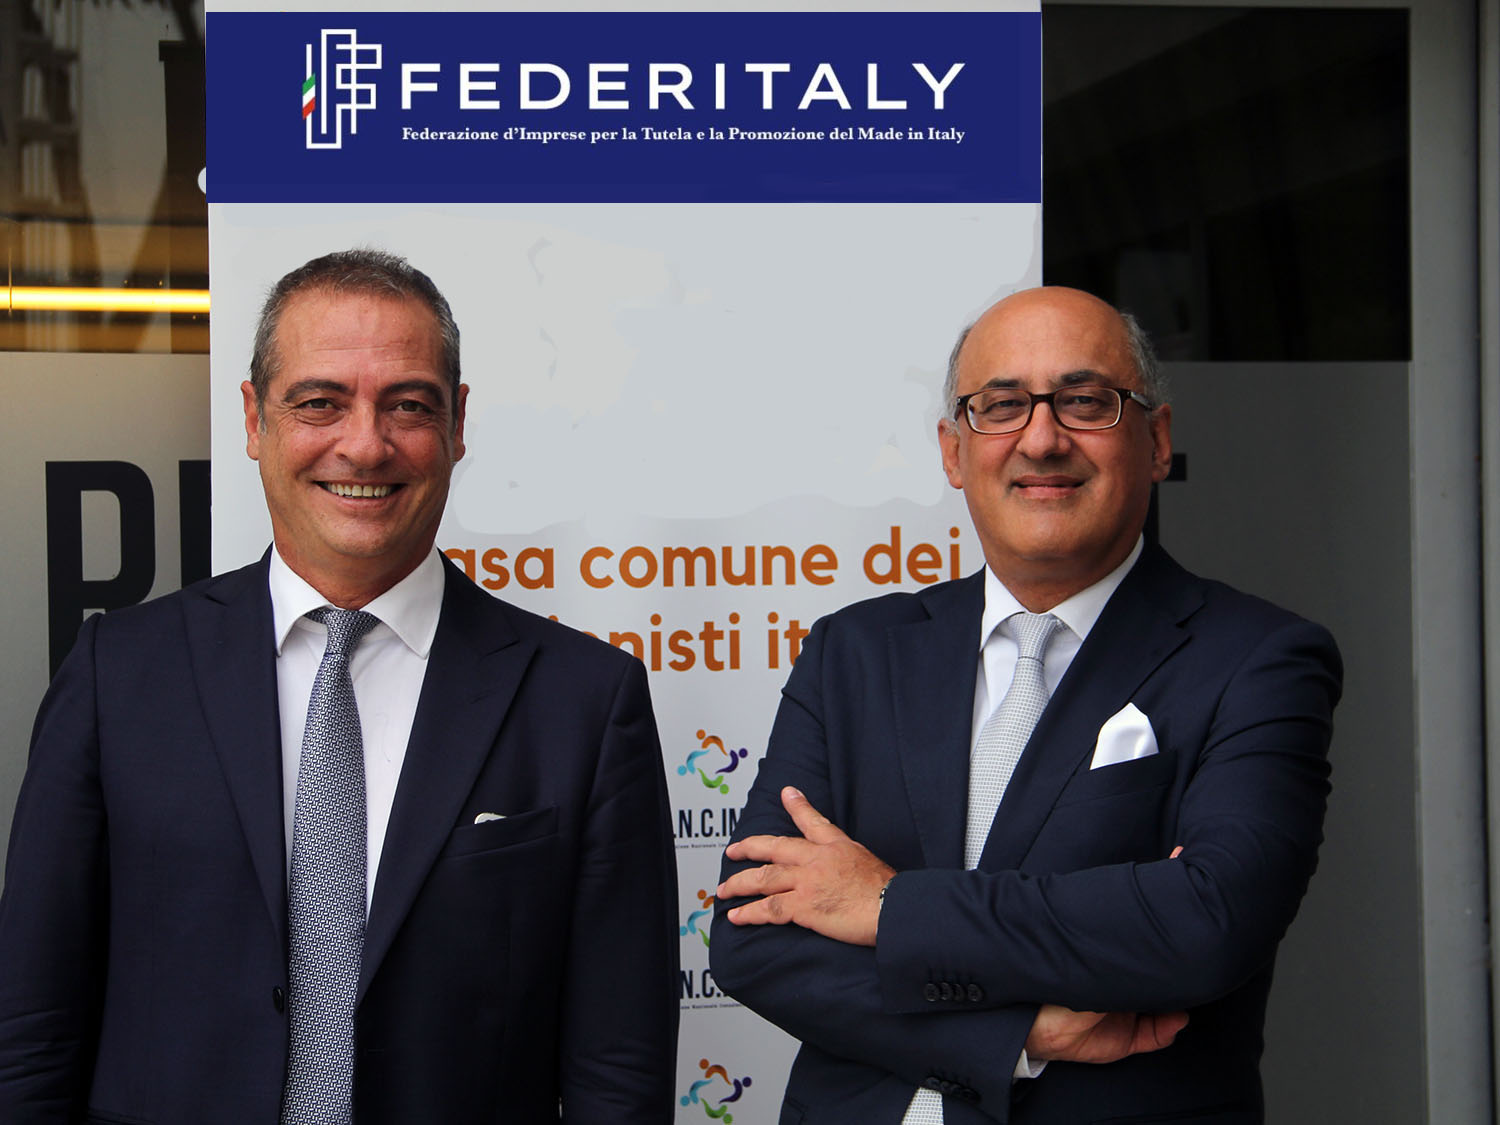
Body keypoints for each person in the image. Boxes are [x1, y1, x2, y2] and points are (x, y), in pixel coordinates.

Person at [0, 249, 679, 1124]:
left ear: (458, 424)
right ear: (255, 420)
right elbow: (32, 1030)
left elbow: (618, 1070)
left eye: (409, 405)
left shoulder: (584, 702)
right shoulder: (117, 673)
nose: (364, 443)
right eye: (319, 402)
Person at [711, 286, 1341, 1124]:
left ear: (1155, 440)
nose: (1042, 439)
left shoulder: (1257, 658)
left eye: (1085, 401)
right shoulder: (853, 651)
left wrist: (888, 905)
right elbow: (756, 938)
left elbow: (1205, 921)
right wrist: (1016, 1035)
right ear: (954, 450)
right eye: (1002, 405)